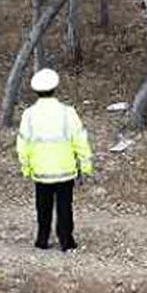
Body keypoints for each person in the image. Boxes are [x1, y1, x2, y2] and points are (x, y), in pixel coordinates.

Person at [16, 68, 94, 251]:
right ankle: (66, 241)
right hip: (65, 169)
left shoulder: (29, 114)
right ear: (55, 88)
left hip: (41, 171)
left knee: (43, 206)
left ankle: (42, 239)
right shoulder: (68, 112)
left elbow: (23, 144)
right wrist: (85, 165)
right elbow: (80, 140)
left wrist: (26, 167)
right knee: (65, 206)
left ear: (35, 91)